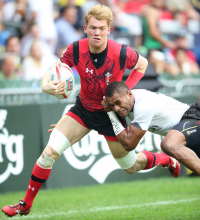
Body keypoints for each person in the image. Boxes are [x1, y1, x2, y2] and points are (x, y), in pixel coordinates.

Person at [2, 4, 160, 217]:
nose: (97, 32)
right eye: (93, 27)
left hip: (110, 115)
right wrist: (45, 85)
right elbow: (54, 71)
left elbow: (143, 64)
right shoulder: (75, 48)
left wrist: (124, 91)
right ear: (85, 28)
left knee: (131, 166)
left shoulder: (121, 52)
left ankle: (165, 160)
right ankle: (25, 204)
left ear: (108, 30)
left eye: (101, 28)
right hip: (82, 111)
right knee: (48, 154)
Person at [101, 81, 200, 175]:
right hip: (187, 130)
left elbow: (129, 144)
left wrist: (110, 113)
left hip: (192, 118)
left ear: (129, 94)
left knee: (169, 144)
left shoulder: (143, 105)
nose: (116, 108)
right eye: (112, 106)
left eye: (118, 103)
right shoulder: (129, 101)